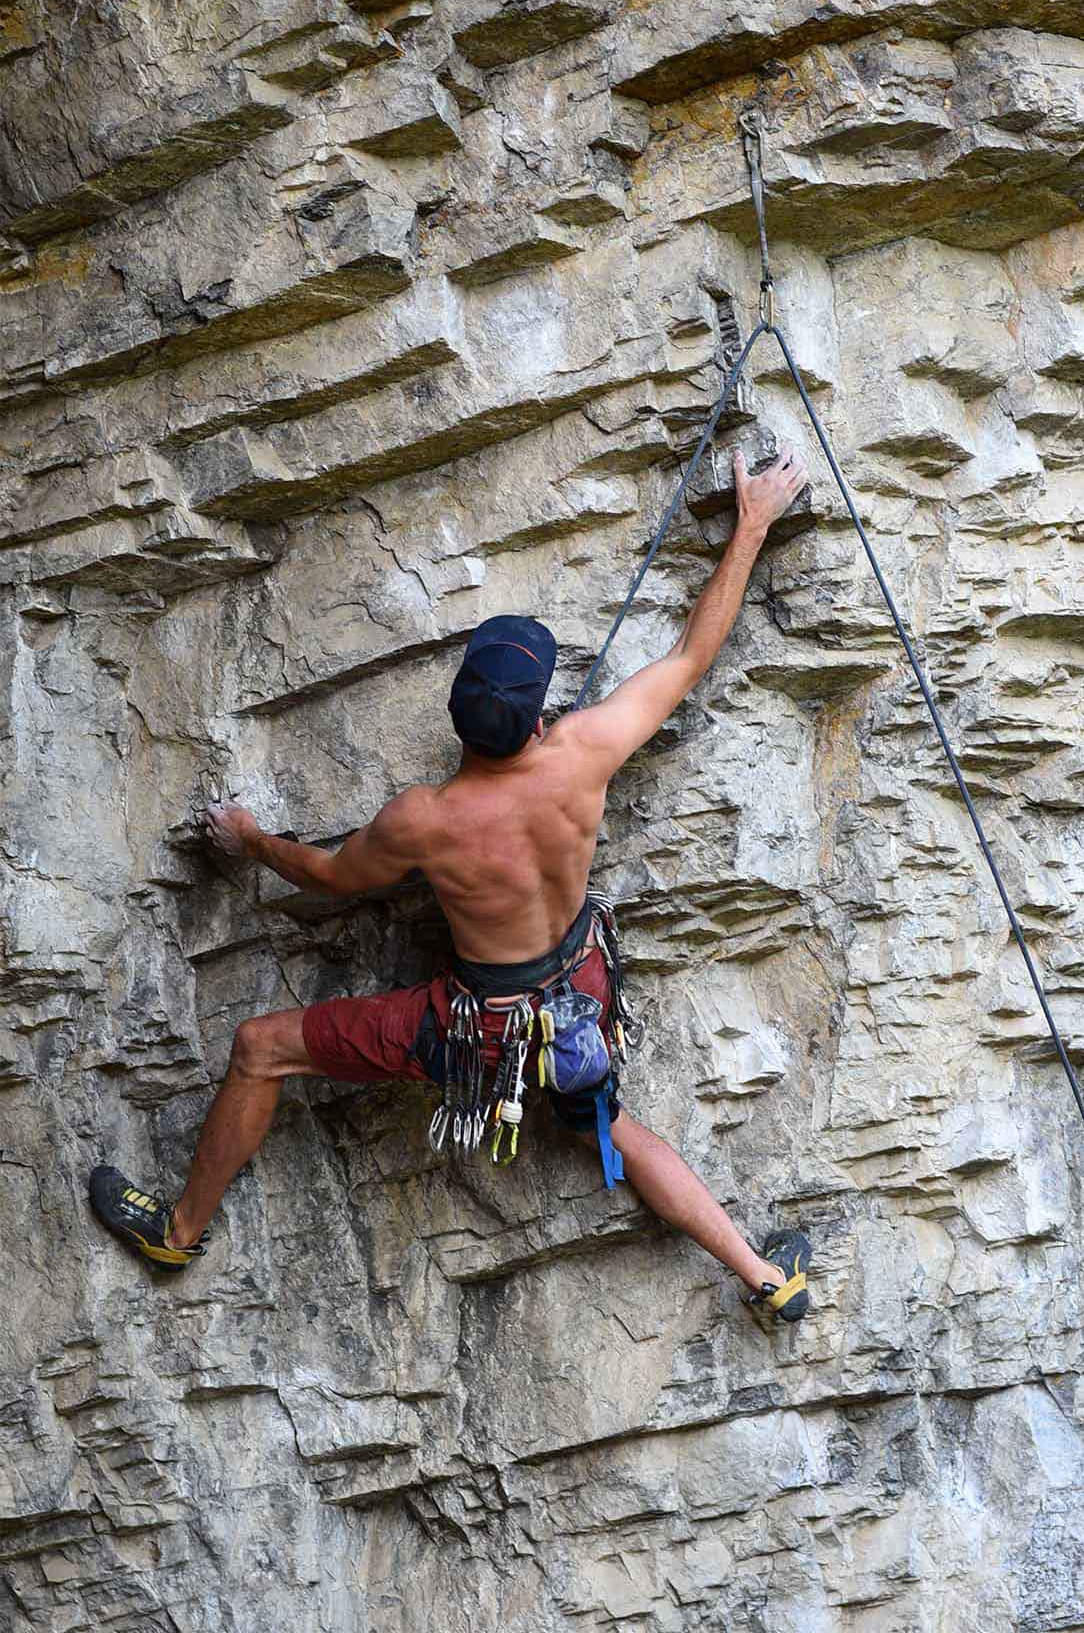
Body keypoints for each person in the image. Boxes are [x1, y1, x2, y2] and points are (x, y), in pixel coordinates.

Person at [90, 446, 814, 1324]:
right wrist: (753, 523)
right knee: (605, 1123)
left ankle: (178, 1230)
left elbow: (326, 879)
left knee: (259, 1047)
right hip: (579, 994)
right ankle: (766, 1277)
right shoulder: (587, 753)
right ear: (539, 715)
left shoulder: (423, 820)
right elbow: (694, 652)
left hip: (478, 1030)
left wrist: (249, 839)